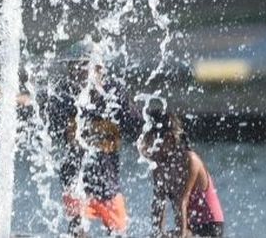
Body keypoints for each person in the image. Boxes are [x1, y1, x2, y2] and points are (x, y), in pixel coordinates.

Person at [45, 49, 142, 236]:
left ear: (98, 69)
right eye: (72, 67)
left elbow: (138, 123)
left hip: (108, 180)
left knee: (118, 232)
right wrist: (14, 99)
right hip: (76, 179)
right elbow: (41, 103)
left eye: (81, 66)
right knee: (77, 229)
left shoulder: (114, 93)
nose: (76, 72)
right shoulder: (65, 95)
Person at [141, 111, 224, 237]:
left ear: (169, 139)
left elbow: (182, 200)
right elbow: (159, 203)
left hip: (210, 227)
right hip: (189, 228)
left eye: (153, 144)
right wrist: (156, 234)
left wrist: (181, 235)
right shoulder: (158, 165)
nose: (149, 148)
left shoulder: (191, 160)